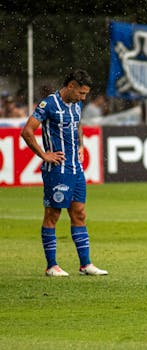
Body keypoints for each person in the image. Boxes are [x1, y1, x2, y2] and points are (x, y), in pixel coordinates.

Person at [21, 69, 108, 277]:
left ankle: (85, 264)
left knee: (79, 213)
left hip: (76, 169)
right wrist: (44, 155)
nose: (83, 98)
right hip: (57, 170)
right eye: (81, 93)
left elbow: (77, 125)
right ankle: (51, 266)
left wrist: (80, 144)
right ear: (71, 86)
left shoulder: (77, 104)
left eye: (86, 94)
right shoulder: (48, 105)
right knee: (53, 214)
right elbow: (27, 131)